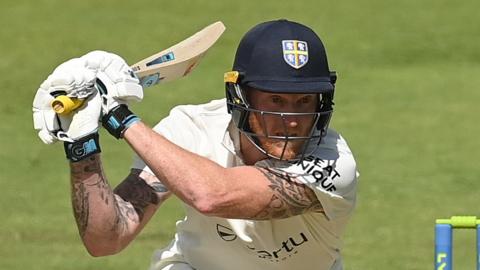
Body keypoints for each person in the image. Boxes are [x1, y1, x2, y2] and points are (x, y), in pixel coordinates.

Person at [32, 19, 359, 270]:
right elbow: (107, 238)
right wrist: (82, 145)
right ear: (240, 96)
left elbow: (211, 195)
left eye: (304, 101)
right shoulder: (190, 128)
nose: (291, 119)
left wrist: (118, 116)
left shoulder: (333, 163)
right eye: (275, 100)